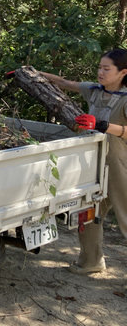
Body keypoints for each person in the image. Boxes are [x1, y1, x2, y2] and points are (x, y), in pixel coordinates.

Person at [37, 48, 127, 274]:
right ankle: (91, 262)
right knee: (88, 213)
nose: (101, 72)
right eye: (99, 67)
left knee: (126, 219)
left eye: (107, 69)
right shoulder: (95, 91)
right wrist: (30, 73)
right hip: (94, 163)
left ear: (123, 72)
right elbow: (64, 83)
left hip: (120, 166)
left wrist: (102, 125)